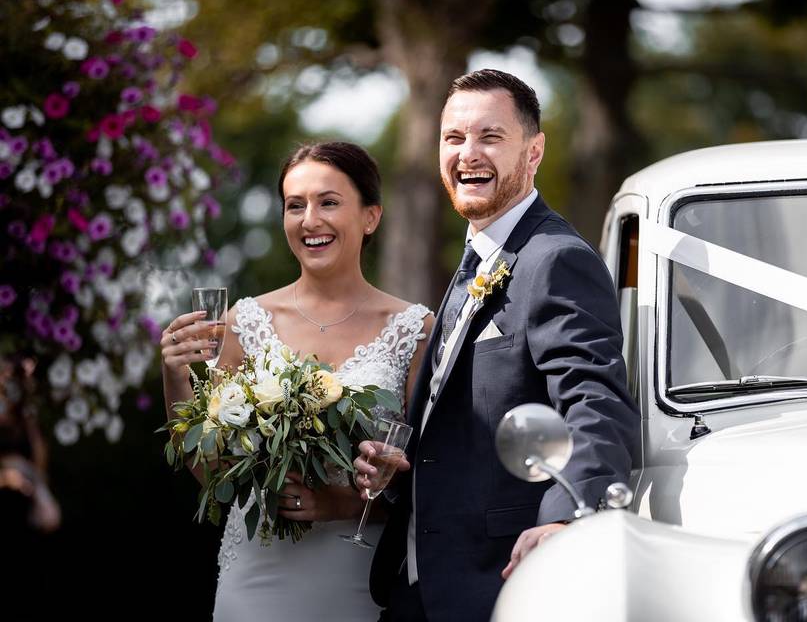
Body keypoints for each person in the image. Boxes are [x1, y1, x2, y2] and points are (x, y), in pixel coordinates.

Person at [355, 69, 641, 622]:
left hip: (498, 584)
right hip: (417, 587)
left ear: (533, 153)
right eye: (454, 138)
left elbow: (595, 402)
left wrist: (565, 519)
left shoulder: (556, 259)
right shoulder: (476, 260)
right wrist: (398, 470)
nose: (468, 154)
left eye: (490, 136)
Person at [160, 141, 433, 621]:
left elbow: (433, 479)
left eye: (329, 202)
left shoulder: (414, 330)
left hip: (362, 578)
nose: (310, 220)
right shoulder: (244, 323)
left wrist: (341, 502)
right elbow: (210, 474)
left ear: (371, 217)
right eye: (295, 205)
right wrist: (175, 377)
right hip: (258, 576)